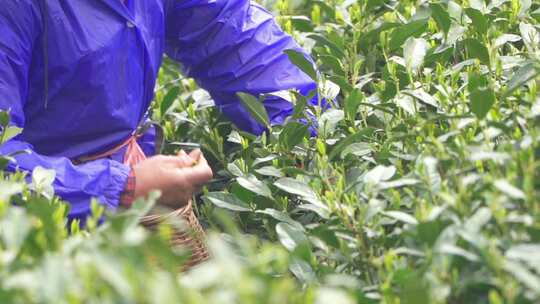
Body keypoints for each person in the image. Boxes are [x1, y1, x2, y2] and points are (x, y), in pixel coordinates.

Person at [0, 0, 319, 223]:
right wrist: (120, 189)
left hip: (134, 190)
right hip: (36, 229)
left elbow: (236, 38)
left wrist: (311, 133)